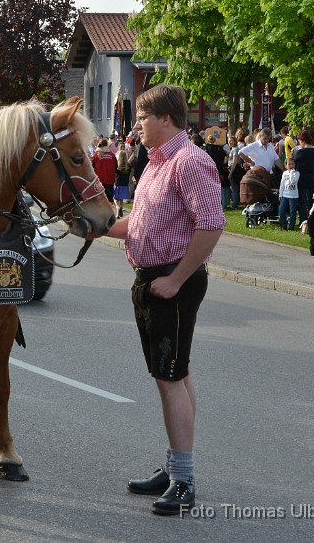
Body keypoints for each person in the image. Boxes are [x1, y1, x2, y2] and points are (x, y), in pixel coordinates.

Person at [105, 84, 224, 516]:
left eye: (141, 117)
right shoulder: (157, 162)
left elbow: (211, 225)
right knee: (172, 373)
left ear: (166, 119)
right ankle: (176, 466)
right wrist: (98, 226)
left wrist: (175, 279)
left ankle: (184, 479)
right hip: (153, 280)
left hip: (171, 283)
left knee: (170, 377)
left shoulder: (190, 161)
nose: (136, 125)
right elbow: (139, 222)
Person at [291, 130, 314, 224]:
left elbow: (294, 163)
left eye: (299, 141)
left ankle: (303, 220)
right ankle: (312, 219)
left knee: (302, 201)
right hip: (312, 177)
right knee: (312, 200)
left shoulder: (300, 152)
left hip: (302, 178)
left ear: (302, 140)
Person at [203, 133, 230, 210]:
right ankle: (221, 204)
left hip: (207, 170)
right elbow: (226, 157)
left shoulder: (205, 149)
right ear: (215, 140)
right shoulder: (220, 149)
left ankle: (210, 205)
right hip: (218, 169)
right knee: (219, 188)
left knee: (208, 188)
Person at [91, 137, 118, 208]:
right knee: (109, 200)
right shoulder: (112, 155)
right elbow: (116, 167)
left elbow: (91, 166)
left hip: (99, 180)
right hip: (110, 180)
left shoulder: (96, 155)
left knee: (99, 200)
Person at [278, 157, 300, 231]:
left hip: (293, 196)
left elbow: (293, 181)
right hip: (285, 195)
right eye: (289, 164)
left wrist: (291, 173)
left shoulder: (297, 173)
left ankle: (291, 226)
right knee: (281, 210)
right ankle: (283, 224)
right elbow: (282, 184)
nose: (291, 166)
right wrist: (280, 194)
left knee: (292, 211)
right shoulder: (284, 173)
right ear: (286, 165)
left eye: (292, 164)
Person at [114, 141, 132, 218]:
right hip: (125, 184)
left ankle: (118, 209)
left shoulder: (118, 167)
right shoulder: (128, 166)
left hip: (118, 183)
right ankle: (120, 208)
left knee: (115, 198)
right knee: (121, 199)